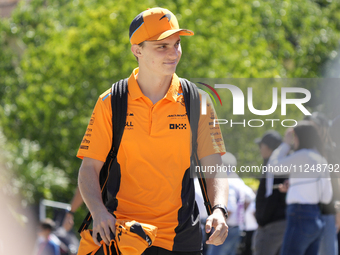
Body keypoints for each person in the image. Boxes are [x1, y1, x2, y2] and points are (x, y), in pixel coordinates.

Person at [77, 7, 229, 255]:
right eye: (162, 46)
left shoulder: (197, 101)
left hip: (180, 238)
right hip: (123, 235)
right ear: (137, 50)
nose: (174, 53)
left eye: (177, 44)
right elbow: (89, 169)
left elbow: (214, 164)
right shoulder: (111, 102)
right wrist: (98, 212)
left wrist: (219, 210)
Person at [268, 121, 333, 255]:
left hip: (299, 216)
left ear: (298, 137)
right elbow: (327, 197)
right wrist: (295, 188)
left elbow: (273, 167)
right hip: (316, 217)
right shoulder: (321, 159)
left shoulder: (303, 155)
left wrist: (285, 144)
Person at [305, 112, 340, 255]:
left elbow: (336, 181)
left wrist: (338, 206)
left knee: (327, 250)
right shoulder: (302, 151)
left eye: (313, 127)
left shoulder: (330, 151)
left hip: (327, 212)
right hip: (304, 211)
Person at [253, 130, 287, 255]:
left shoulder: (272, 165)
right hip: (281, 222)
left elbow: (272, 195)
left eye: (261, 146)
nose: (260, 149)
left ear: (267, 147)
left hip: (272, 225)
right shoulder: (284, 163)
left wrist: (262, 220)